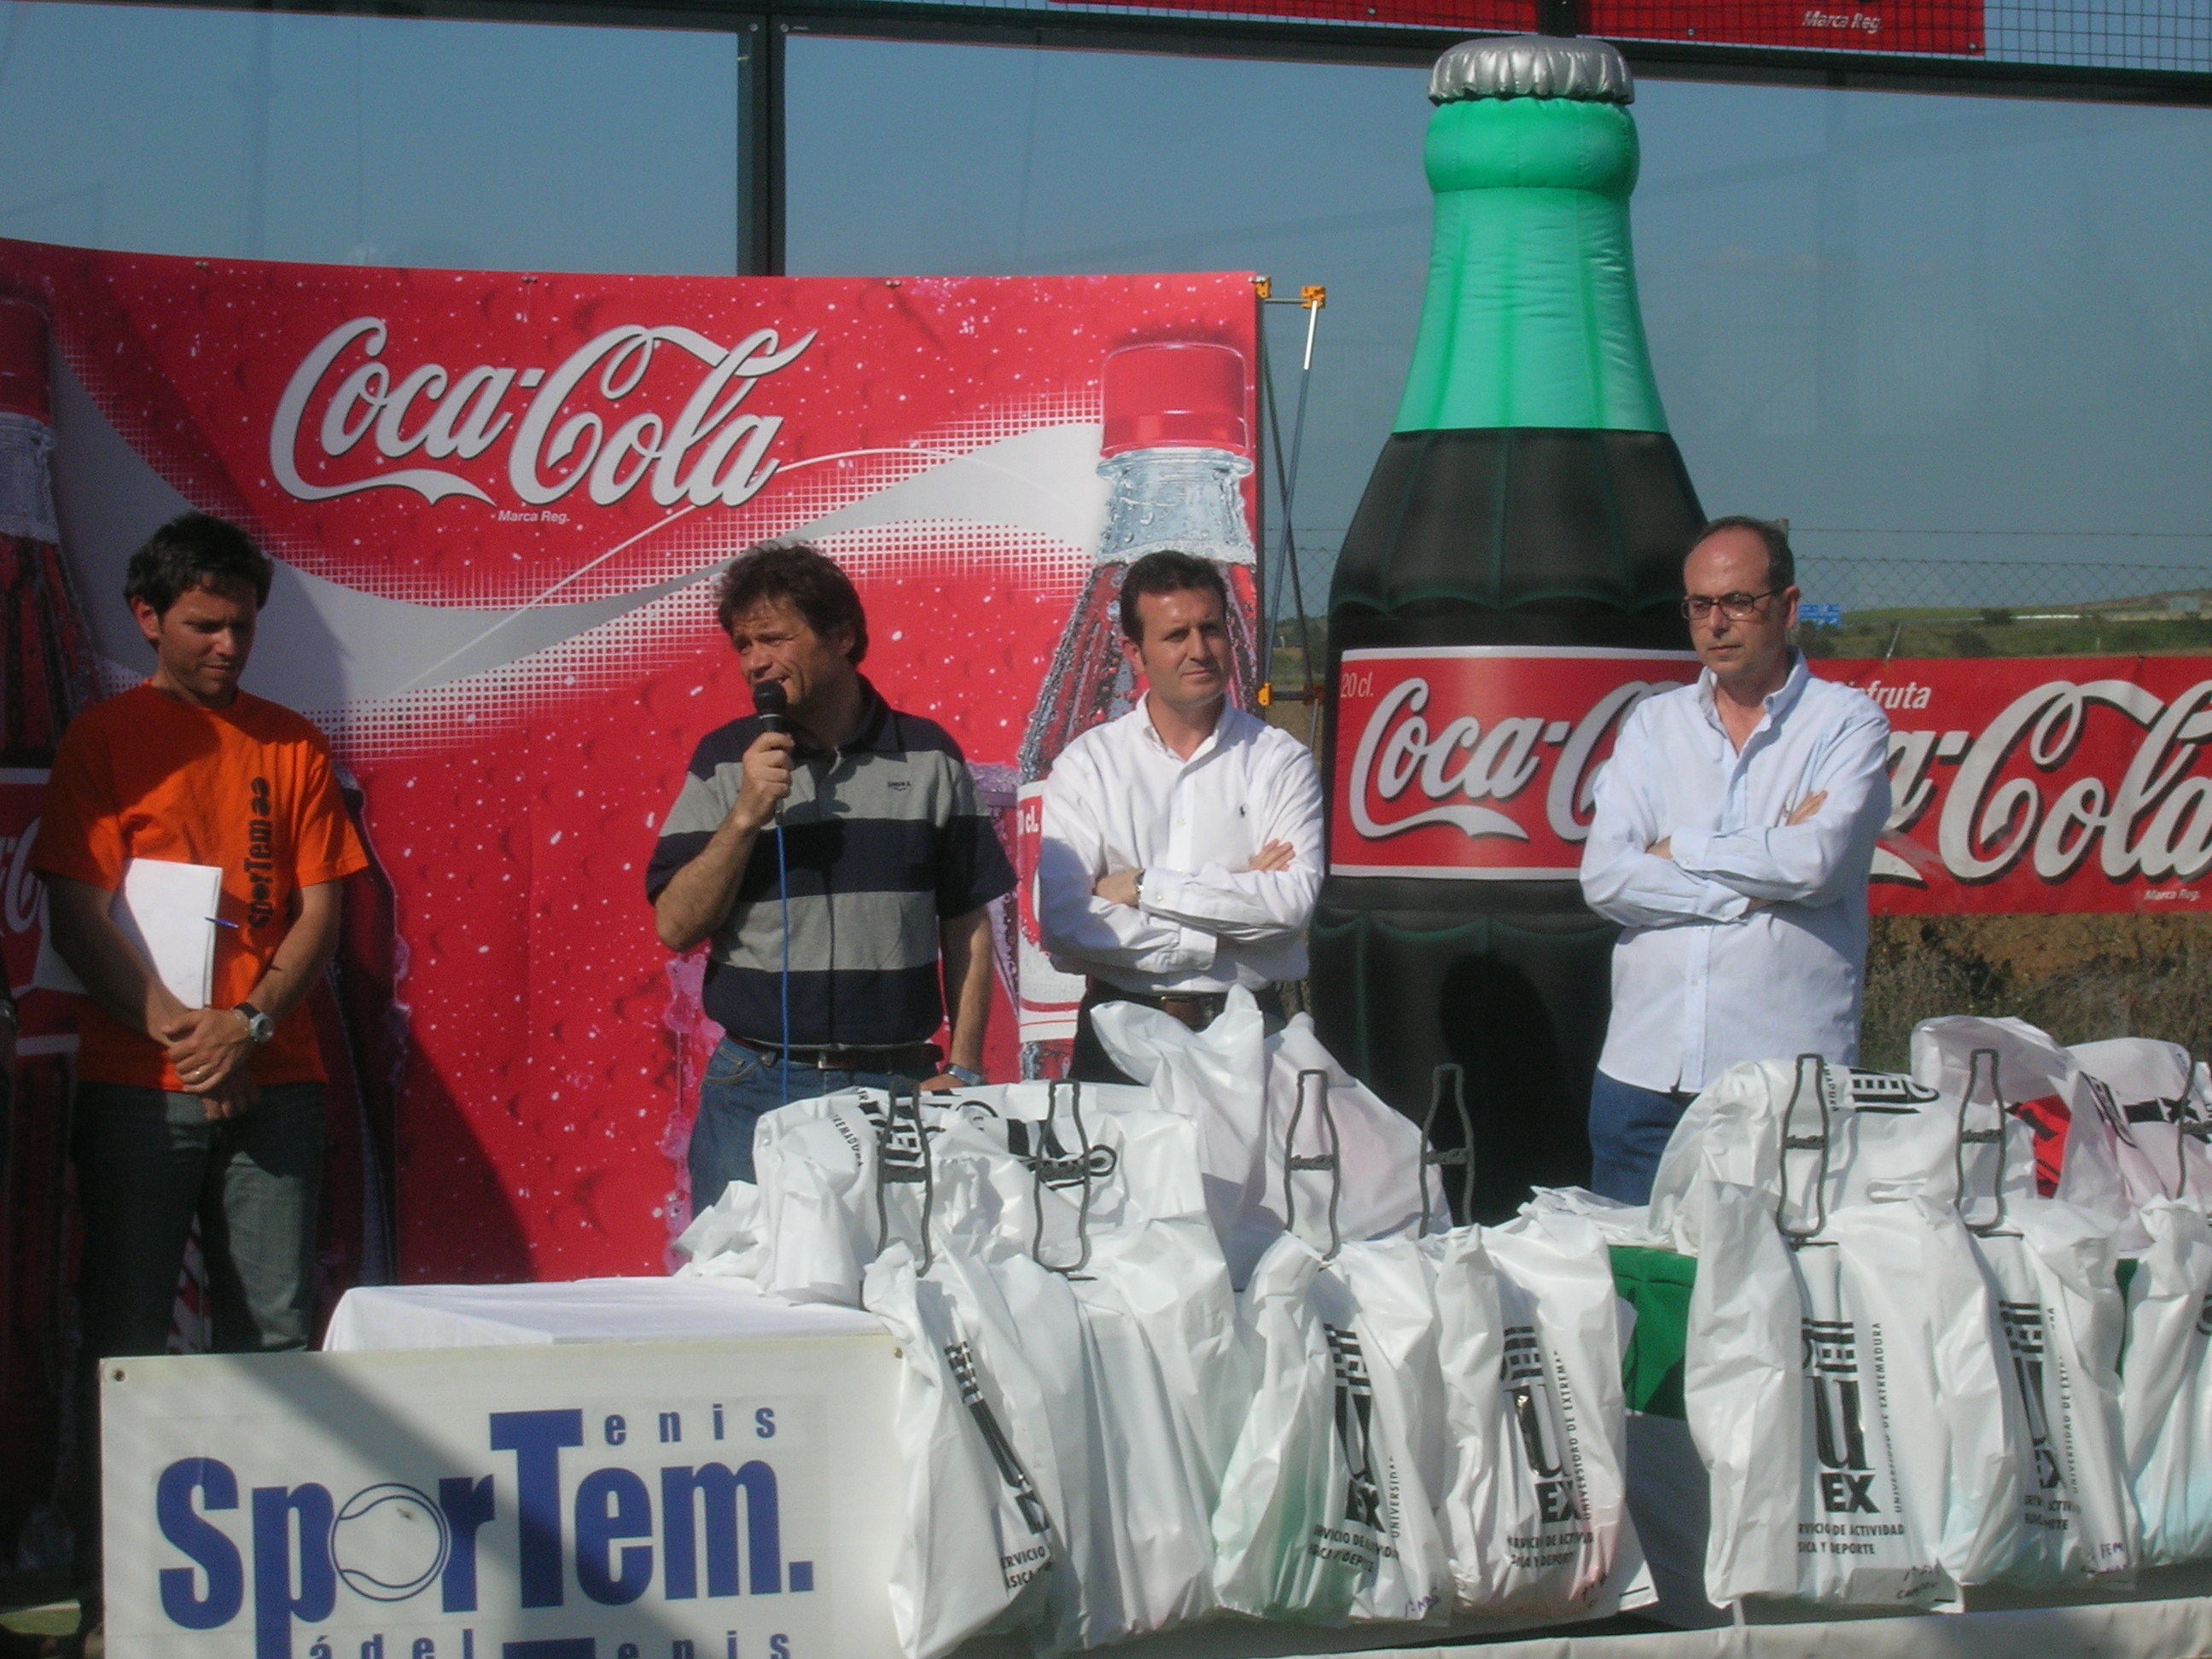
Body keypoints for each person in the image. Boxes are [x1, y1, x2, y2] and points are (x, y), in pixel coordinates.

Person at [32, 512, 368, 1650]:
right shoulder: (104, 737)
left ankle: (264, 1596)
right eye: (204, 626)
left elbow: (320, 910)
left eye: (243, 627)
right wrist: (185, 1036)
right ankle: (119, 1602)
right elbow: (77, 909)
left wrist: (249, 1025)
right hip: (140, 1083)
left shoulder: (292, 742)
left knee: (271, 1337)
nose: (228, 646)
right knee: (127, 1341)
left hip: (279, 1076)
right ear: (148, 618)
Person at [649, 542, 1014, 1213]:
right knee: (741, 1273)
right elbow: (675, 926)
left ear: (841, 636)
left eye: (774, 639)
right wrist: (745, 816)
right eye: (743, 645)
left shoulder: (929, 756)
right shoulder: (724, 760)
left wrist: (964, 1066)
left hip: (896, 1083)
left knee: (896, 1268)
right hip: (757, 1085)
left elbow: (966, 919)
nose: (755, 662)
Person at [1579, 515, 1891, 1203]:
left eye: (1738, 602)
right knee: (1636, 1270)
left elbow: (1818, 864)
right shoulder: (1654, 724)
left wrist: (1680, 848)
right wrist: (1752, 885)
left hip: (1785, 1080)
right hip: (1643, 1078)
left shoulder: (1847, 723)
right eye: (1700, 605)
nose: (1716, 623)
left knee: (1776, 1270)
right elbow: (1605, 879)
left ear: (1788, 607)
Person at [1037, 550, 1323, 1085]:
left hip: (1250, 1033)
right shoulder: (1088, 765)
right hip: (1120, 1034)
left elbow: (1289, 906)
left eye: (1210, 629)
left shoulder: (1279, 760)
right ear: (1135, 653)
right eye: (1175, 635)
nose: (1198, 650)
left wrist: (1144, 887)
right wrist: (1226, 915)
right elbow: (1066, 922)